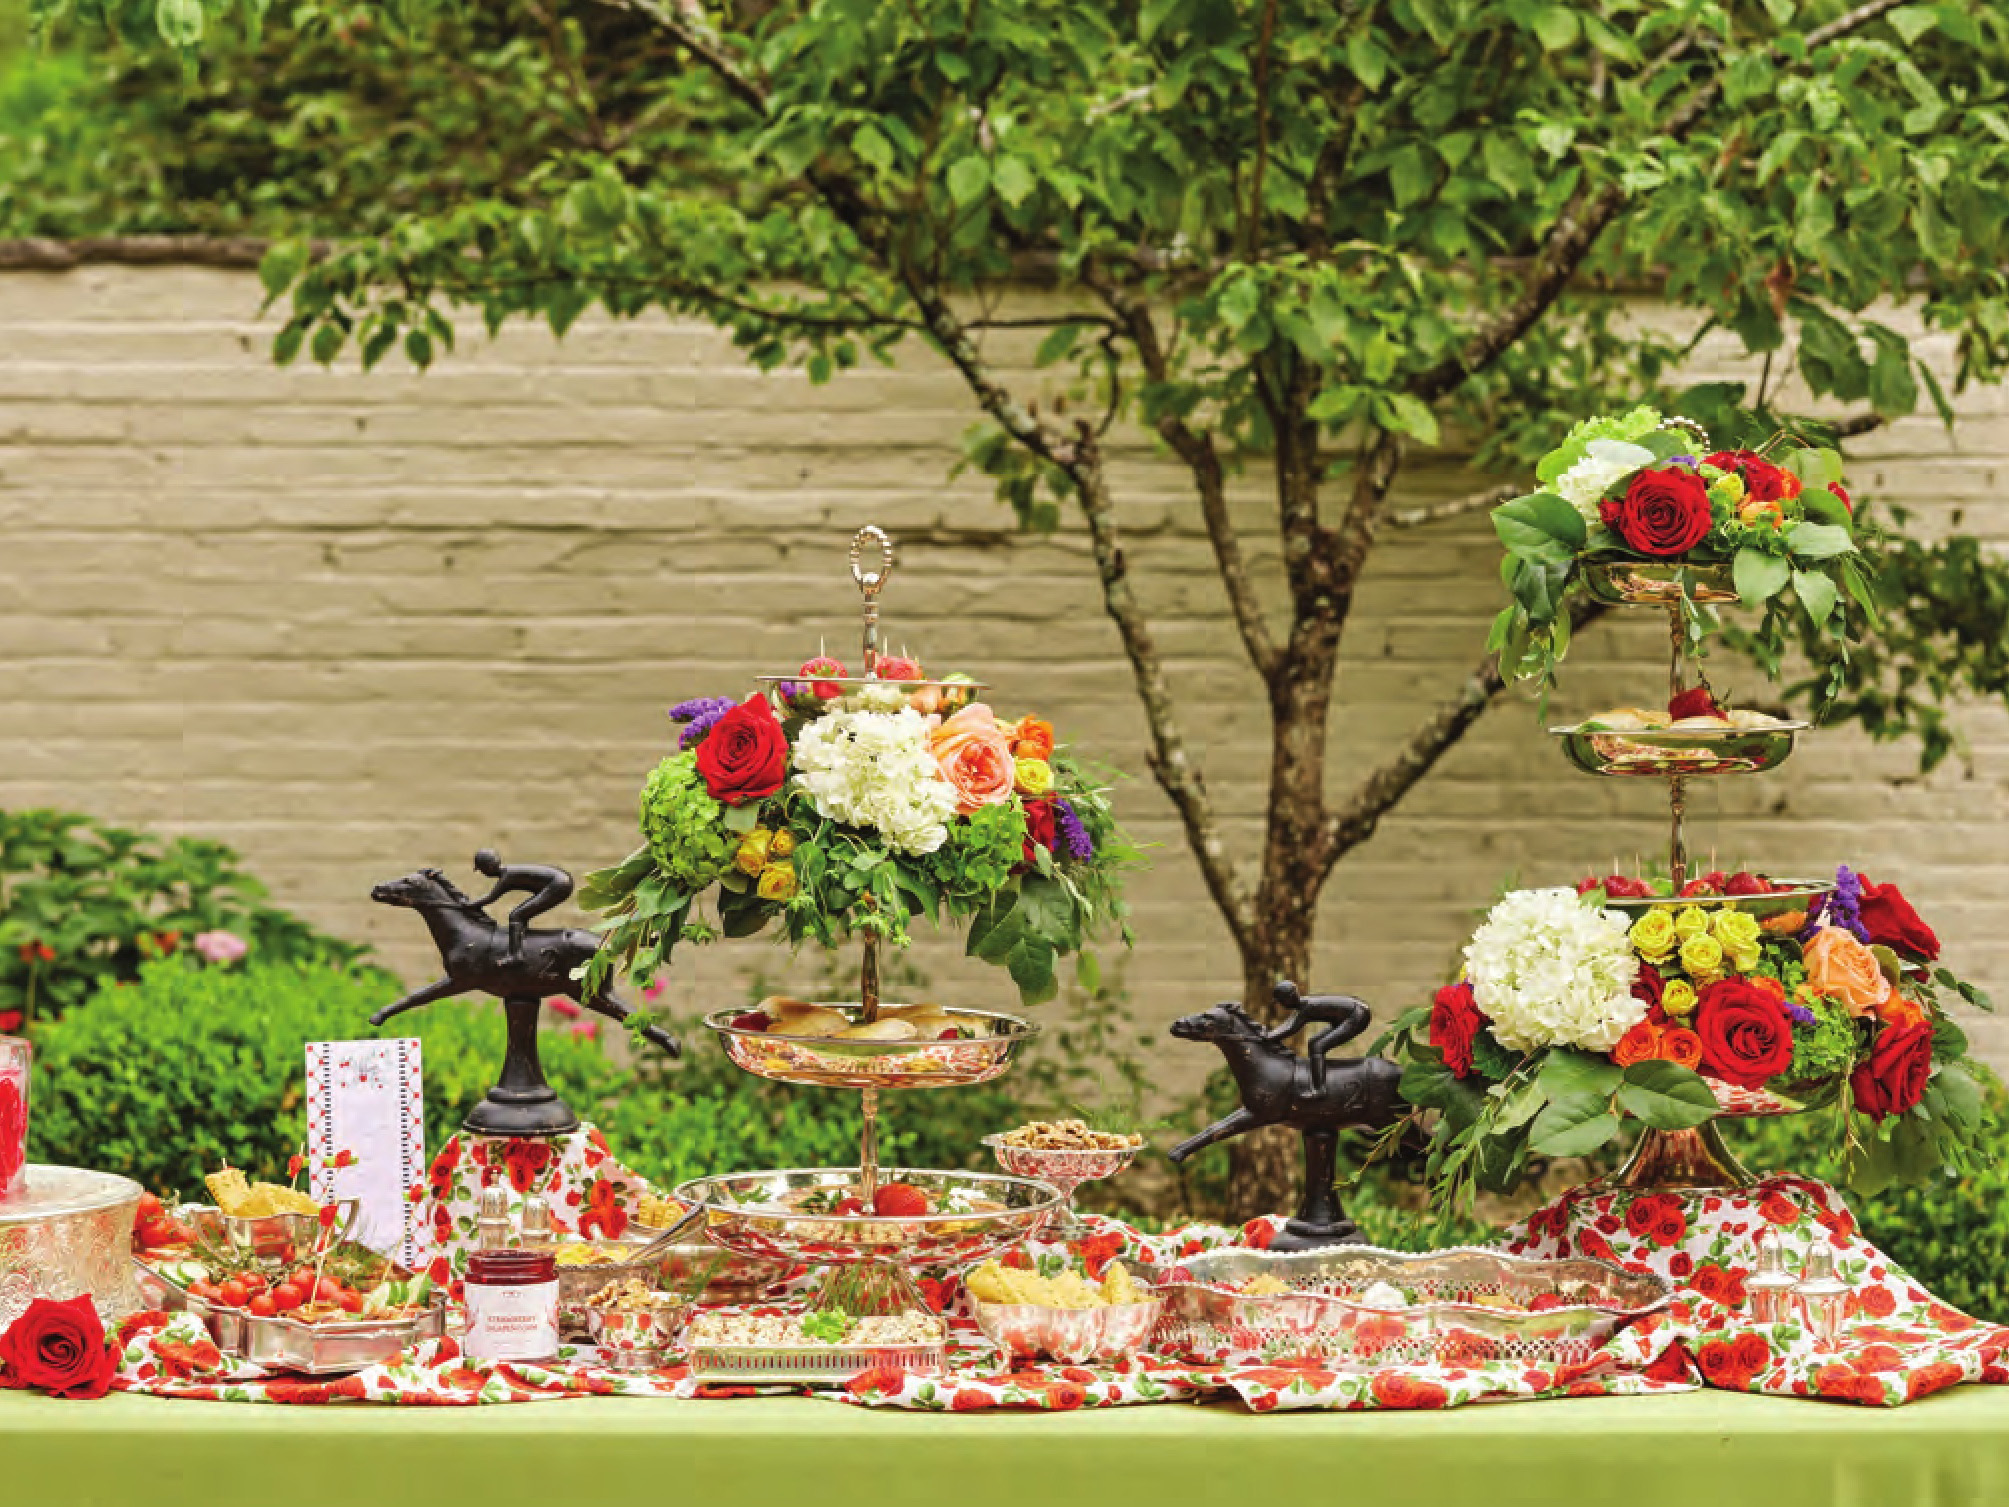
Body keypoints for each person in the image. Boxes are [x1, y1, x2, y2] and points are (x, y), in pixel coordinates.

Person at [1260, 980, 1371, 1093]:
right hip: (1348, 1014)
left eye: (1281, 1001)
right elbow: (1289, 1024)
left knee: (1317, 1047)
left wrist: (1267, 1037)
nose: (1281, 1005)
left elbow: (1291, 1028)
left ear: (1290, 998)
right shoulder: (1303, 1005)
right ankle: (1318, 1075)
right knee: (1313, 1043)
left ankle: (1319, 1088)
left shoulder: (1308, 1007)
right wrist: (1269, 1034)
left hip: (1357, 1015)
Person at [465, 849, 574, 964]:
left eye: (482, 870)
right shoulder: (508, 872)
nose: (482, 873)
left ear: (489, 867)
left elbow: (491, 897)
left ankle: (516, 956)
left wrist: (468, 905)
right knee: (521, 914)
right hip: (560, 880)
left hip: (559, 884)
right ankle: (521, 940)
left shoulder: (507, 876)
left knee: (516, 916)